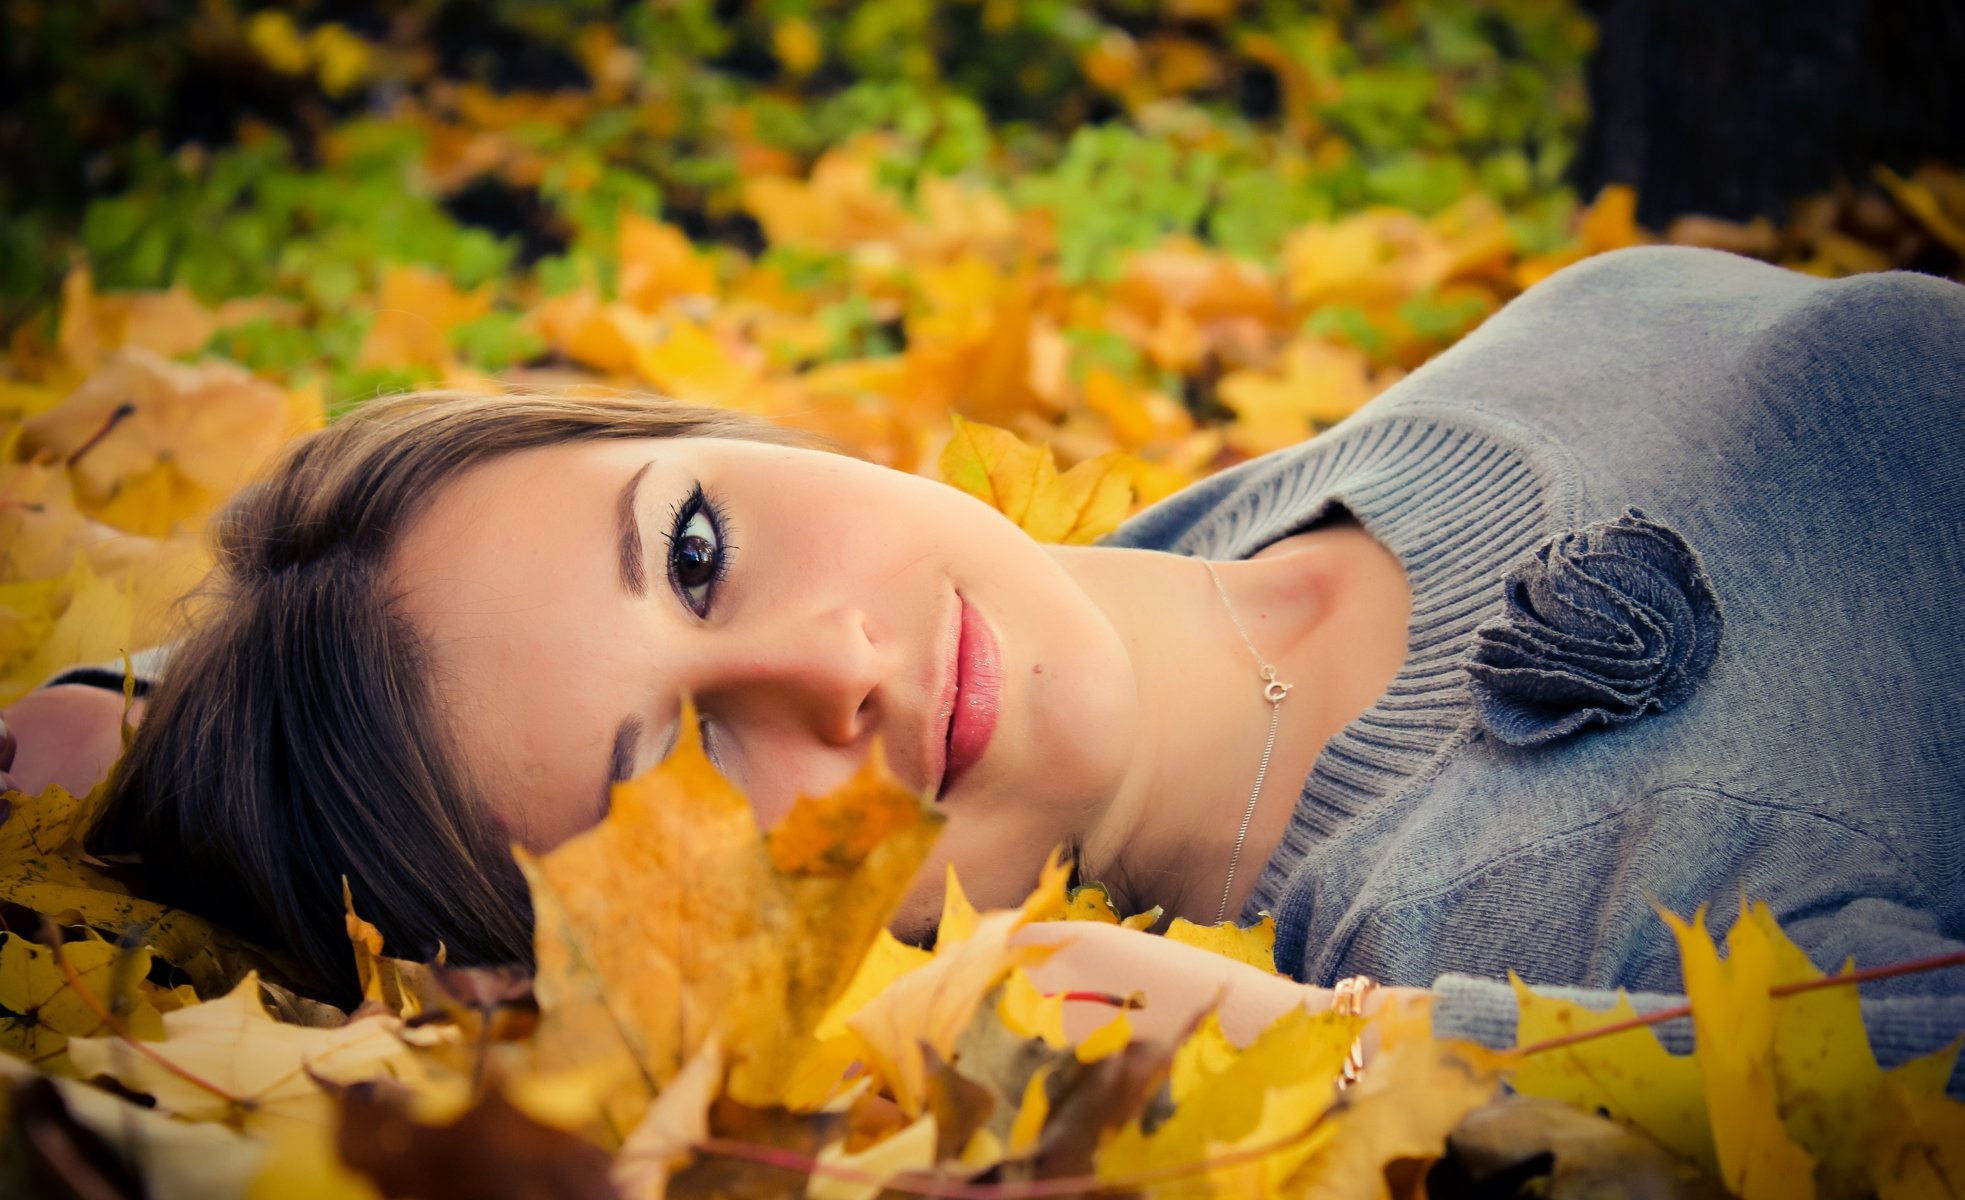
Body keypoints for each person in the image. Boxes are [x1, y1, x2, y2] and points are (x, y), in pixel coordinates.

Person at [6, 246, 1962, 1092]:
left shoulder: (1239, 528)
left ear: (729, 426)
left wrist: (140, 703)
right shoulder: (1576, 931)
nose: (828, 667)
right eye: (682, 765)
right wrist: (1330, 1053)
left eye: (695, 545)